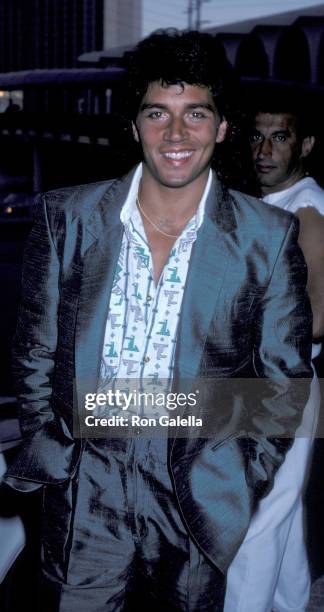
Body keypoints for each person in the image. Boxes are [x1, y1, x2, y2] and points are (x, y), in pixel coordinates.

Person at [4, 30, 312, 611]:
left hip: (195, 482)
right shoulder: (66, 217)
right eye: (157, 114)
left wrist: (242, 477)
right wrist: (55, 448)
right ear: (135, 125)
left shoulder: (266, 238)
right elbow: (34, 352)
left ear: (222, 128)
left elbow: (284, 381)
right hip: (87, 475)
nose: (176, 135)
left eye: (195, 114)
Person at [225, 87, 324, 612]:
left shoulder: (306, 208)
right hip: (265, 383)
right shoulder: (271, 204)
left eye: (279, 137)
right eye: (257, 137)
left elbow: (319, 316)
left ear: (304, 144)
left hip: (283, 384)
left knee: (256, 522)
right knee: (278, 516)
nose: (264, 150)